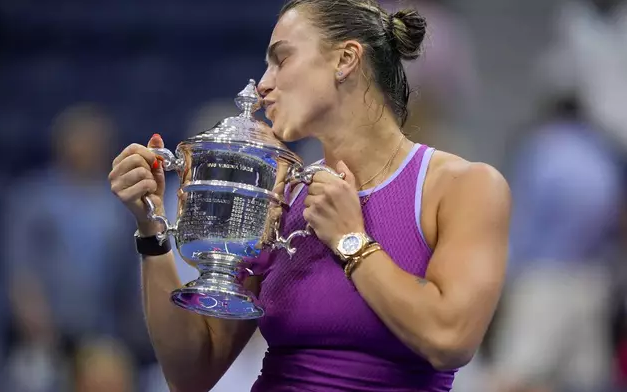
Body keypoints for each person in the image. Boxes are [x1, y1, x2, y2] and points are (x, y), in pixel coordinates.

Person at [108, 0, 511, 390]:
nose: (262, 84)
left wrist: (351, 242)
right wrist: (151, 229)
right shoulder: (283, 196)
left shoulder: (465, 187)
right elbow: (191, 375)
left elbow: (449, 339)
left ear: (345, 60)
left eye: (281, 59)